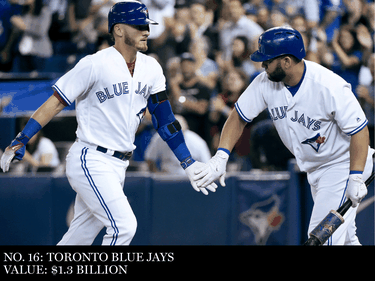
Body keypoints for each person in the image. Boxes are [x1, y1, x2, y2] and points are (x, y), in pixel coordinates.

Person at [0, 1, 216, 246]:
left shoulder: (152, 67)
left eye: (147, 25)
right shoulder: (94, 64)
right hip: (91, 158)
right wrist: (22, 138)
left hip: (118, 164)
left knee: (78, 238)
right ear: (119, 30)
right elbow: (56, 102)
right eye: (138, 25)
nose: (146, 30)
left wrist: (187, 161)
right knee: (124, 227)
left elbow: (165, 120)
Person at [194, 26, 374, 245]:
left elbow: (360, 131)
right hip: (315, 168)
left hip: (343, 165)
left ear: (287, 61)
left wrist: (355, 176)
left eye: (267, 60)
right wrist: (221, 156)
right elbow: (238, 117)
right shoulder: (264, 82)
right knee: (346, 240)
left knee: (321, 240)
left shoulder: (328, 85)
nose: (263, 65)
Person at [145, 115, 211, 175]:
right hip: (166, 179)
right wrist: (157, 174)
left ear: (186, 130)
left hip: (189, 180)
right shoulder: (159, 138)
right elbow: (150, 158)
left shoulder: (198, 143)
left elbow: (207, 165)